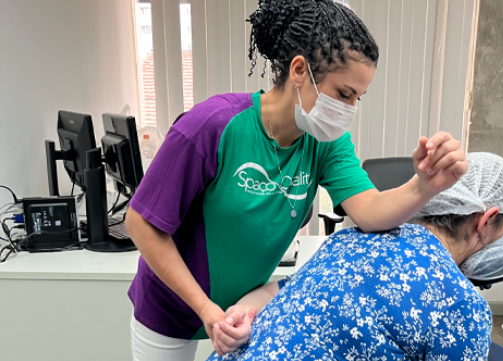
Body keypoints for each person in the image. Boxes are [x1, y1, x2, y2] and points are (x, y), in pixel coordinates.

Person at [125, 0, 468, 359]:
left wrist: (424, 185)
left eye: (358, 99)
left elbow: (369, 211)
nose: (349, 110)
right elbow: (141, 224)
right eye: (343, 94)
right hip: (172, 306)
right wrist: (205, 309)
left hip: (241, 309)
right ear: (299, 70)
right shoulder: (212, 127)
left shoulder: (325, 143)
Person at [206, 152, 503, 359]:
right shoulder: (464, 306)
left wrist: (239, 314)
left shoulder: (347, 240)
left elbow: (272, 291)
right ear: (485, 221)